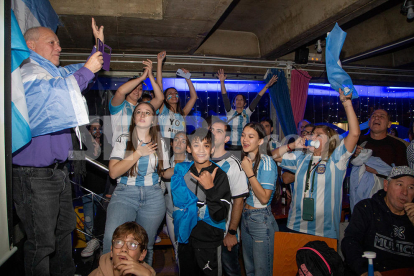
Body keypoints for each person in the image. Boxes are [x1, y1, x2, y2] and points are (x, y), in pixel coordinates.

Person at [12, 18, 104, 275]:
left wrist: (98, 48)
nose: (59, 48)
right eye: (52, 42)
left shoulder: (50, 72)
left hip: (58, 172)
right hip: (34, 176)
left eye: (59, 43)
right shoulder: (26, 74)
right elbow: (57, 94)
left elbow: (74, 76)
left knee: (64, 231)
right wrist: (87, 69)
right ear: (30, 46)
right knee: (42, 243)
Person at [272, 89, 360, 239]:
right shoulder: (301, 157)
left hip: (323, 231)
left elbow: (355, 133)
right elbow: (273, 156)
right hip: (295, 225)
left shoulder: (337, 159)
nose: (312, 136)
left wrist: (346, 102)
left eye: (318, 134)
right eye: (312, 134)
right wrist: (292, 146)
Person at [103, 102, 173, 265]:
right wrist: (138, 153)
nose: (142, 115)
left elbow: (163, 173)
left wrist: (180, 169)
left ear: (154, 120)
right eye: (139, 112)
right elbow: (113, 172)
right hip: (125, 194)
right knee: (112, 241)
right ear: (134, 118)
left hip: (154, 197)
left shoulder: (160, 143)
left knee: (145, 246)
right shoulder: (123, 140)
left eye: (147, 112)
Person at [171, 128, 231, 275]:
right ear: (189, 148)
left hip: (209, 241)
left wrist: (210, 188)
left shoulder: (220, 175)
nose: (201, 150)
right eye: (196, 145)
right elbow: (178, 202)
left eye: (206, 145)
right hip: (186, 238)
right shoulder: (182, 171)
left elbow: (219, 215)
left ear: (211, 149)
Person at [341, 166, 414, 276]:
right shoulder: (367, 208)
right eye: (399, 184)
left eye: (411, 188)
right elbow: (350, 242)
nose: (404, 192)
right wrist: (364, 271)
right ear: (386, 185)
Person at [239, 122, 279, 276]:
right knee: (250, 270)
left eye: (251, 136)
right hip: (246, 217)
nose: (245, 139)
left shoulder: (267, 162)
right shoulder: (248, 160)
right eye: (243, 135)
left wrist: (249, 173)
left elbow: (264, 198)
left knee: (263, 271)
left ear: (261, 141)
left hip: (261, 219)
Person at [211, 119, 249, 276]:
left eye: (219, 131)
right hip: (205, 234)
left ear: (227, 139)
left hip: (225, 232)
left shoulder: (233, 164)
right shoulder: (200, 160)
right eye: (211, 129)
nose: (213, 133)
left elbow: (238, 201)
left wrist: (232, 232)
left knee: (230, 272)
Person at [350, 109, 408, 209]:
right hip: (359, 197)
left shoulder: (398, 145)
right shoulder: (358, 142)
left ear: (389, 124)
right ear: (369, 123)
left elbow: (403, 174)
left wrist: (378, 171)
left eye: (381, 116)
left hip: (386, 198)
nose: (376, 118)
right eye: (373, 116)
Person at [217, 69, 278, 150]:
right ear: (233, 103)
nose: (239, 101)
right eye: (237, 99)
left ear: (245, 104)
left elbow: (257, 98)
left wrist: (267, 85)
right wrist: (222, 82)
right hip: (230, 146)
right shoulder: (230, 112)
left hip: (244, 145)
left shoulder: (247, 112)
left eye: (241, 99)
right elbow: (225, 97)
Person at [109, 57, 164, 144]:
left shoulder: (143, 107)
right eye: (134, 88)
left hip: (141, 149)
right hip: (121, 151)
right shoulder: (120, 105)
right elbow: (120, 92)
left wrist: (150, 76)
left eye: (140, 89)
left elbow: (160, 98)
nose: (137, 91)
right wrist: (141, 78)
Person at [80, 118, 112, 257]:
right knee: (88, 218)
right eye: (94, 128)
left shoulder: (107, 145)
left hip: (103, 188)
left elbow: (109, 164)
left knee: (101, 217)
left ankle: (99, 241)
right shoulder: (83, 145)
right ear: (89, 130)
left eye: (99, 128)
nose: (97, 131)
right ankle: (89, 242)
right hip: (87, 188)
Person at [89, 221, 156, 276]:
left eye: (132, 244)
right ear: (112, 251)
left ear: (142, 254)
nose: (124, 249)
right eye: (119, 242)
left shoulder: (147, 274)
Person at [162, 131, 190, 258]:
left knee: (188, 250)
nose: (179, 143)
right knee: (177, 250)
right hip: (171, 214)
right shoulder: (164, 164)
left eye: (183, 141)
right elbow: (161, 189)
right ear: (172, 144)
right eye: (177, 140)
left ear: (187, 147)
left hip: (188, 215)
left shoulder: (193, 164)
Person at [158, 68, 197, 140]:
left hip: (179, 147)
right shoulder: (163, 110)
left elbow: (194, 97)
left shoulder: (182, 113)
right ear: (165, 99)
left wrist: (188, 79)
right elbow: (159, 87)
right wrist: (159, 63)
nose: (173, 95)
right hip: (165, 145)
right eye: (170, 94)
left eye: (175, 93)